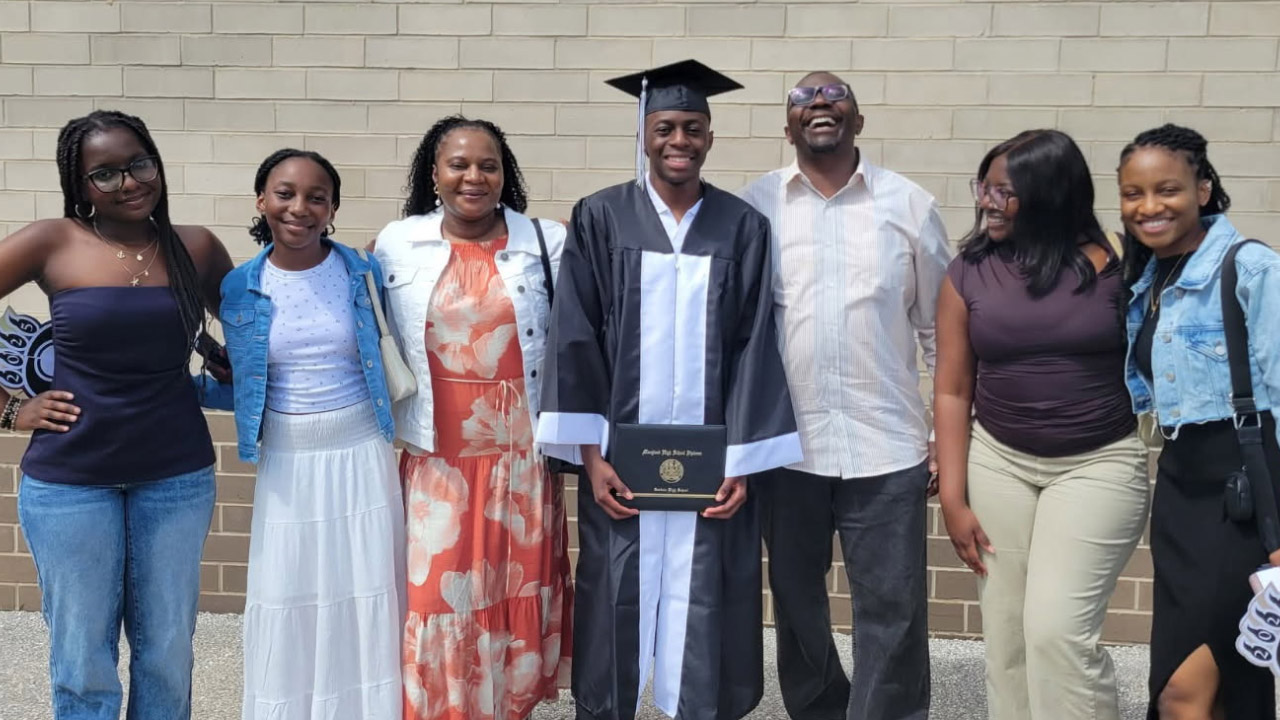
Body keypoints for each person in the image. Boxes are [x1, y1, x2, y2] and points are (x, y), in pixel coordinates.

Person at [536, 59, 803, 720]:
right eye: (665, 128)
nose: (679, 140)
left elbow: (755, 345)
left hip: (712, 468)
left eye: (692, 128)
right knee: (613, 588)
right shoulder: (601, 217)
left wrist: (742, 463)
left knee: (708, 592)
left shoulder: (743, 227)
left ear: (709, 136)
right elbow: (575, 336)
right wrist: (590, 457)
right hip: (619, 463)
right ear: (644, 134)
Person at [4, 110, 233, 720]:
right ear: (79, 185)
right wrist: (10, 408)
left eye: (139, 164)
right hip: (70, 482)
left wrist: (235, 363)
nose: (129, 182)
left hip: (176, 478)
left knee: (167, 655)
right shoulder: (52, 242)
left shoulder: (196, 247)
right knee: (82, 659)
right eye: (104, 174)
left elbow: (254, 330)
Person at [738, 71, 949, 720]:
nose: (820, 103)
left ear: (859, 120)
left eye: (835, 96)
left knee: (894, 607)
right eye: (804, 98)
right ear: (788, 127)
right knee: (796, 602)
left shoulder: (910, 206)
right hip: (786, 447)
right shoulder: (754, 206)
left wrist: (944, 437)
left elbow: (941, 331)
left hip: (887, 445)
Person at [933, 129, 1149, 720]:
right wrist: (952, 496)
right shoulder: (969, 271)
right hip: (998, 461)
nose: (988, 202)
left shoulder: (1122, 267)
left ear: (1053, 193)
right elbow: (952, 389)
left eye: (1005, 191)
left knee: (1057, 633)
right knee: (1006, 634)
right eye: (984, 188)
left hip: (1098, 463)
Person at [373, 115, 572, 720]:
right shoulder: (397, 243)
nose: (474, 177)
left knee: (514, 591)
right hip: (438, 456)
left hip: (522, 459)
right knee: (436, 594)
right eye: (458, 164)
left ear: (505, 174)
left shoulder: (545, 241)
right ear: (433, 174)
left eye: (488, 165)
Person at [221, 149, 405, 719]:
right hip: (288, 459)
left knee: (366, 588)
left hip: (361, 450)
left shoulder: (362, 271)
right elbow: (239, 374)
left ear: (332, 209)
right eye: (285, 193)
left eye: (316, 197)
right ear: (261, 200)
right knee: (288, 593)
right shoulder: (240, 286)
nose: (299, 207)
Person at [1118, 124, 1280, 720]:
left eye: (1168, 189)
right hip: (1181, 494)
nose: (1149, 206)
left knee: (1184, 692)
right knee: (1208, 690)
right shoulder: (1148, 279)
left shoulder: (1251, 268)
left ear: (1203, 190)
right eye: (1133, 193)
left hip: (1246, 500)